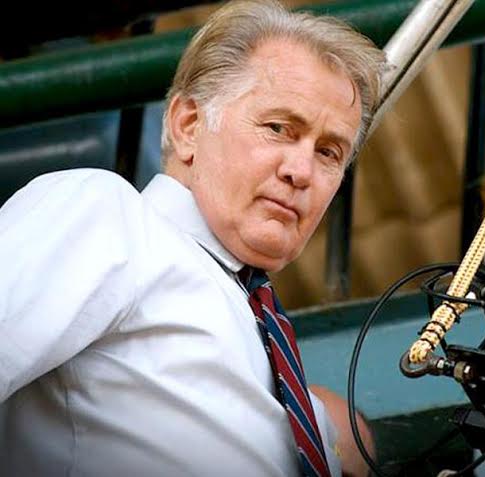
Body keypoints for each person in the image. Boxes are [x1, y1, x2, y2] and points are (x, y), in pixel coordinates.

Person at [0, 1, 386, 476]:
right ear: (188, 126)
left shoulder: (261, 342)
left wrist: (333, 431)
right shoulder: (110, 215)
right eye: (278, 128)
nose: (301, 171)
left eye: (328, 152)